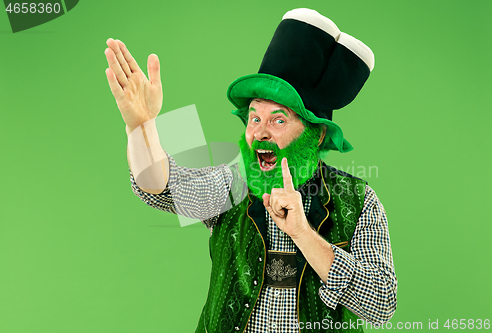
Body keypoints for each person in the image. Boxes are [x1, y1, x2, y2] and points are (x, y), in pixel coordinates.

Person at [105, 8, 397, 333]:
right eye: (255, 118)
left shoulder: (357, 200)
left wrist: (303, 234)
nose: (259, 133)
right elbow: (158, 185)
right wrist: (142, 125)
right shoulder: (232, 184)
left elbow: (382, 304)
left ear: (318, 134)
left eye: (279, 120)